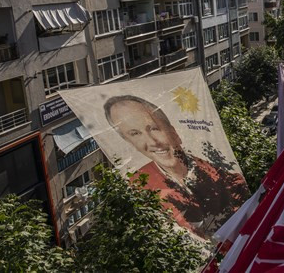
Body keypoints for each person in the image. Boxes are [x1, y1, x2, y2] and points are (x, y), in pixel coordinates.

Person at [103, 95, 248, 237]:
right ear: (131, 143)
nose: (153, 142)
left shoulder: (226, 177)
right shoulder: (137, 190)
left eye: (154, 128)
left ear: (173, 131)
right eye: (135, 133)